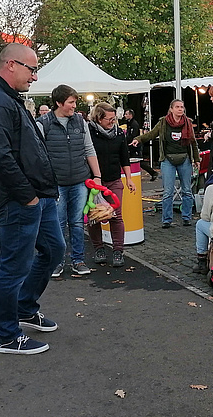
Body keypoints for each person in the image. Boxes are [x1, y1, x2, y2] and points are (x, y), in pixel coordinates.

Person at [0, 42, 64, 356]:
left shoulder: (6, 97)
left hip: (36, 195)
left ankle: (24, 308)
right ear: (11, 65)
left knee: (53, 250)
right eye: (32, 69)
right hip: (19, 199)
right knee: (13, 267)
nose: (35, 77)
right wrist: (28, 198)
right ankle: (8, 336)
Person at [37, 84, 102, 278]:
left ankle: (78, 260)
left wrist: (97, 176)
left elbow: (89, 150)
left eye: (75, 102)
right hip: (55, 184)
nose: (74, 106)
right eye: (71, 102)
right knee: (57, 223)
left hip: (79, 181)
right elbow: (38, 154)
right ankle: (56, 262)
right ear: (59, 102)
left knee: (76, 223)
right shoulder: (43, 124)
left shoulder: (80, 122)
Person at [132, 99, 199, 228]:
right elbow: (151, 134)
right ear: (171, 109)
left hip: (184, 159)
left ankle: (187, 217)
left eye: (182, 107)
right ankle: (167, 220)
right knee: (168, 191)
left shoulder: (188, 123)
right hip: (168, 159)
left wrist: (196, 159)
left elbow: (193, 142)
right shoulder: (163, 122)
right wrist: (138, 139)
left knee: (186, 190)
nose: (180, 109)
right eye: (178, 107)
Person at [88, 102, 136, 267]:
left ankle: (118, 251)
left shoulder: (119, 134)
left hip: (114, 179)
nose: (112, 122)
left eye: (114, 118)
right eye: (109, 119)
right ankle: (99, 249)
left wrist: (129, 178)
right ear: (98, 118)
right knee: (94, 217)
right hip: (94, 182)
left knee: (116, 215)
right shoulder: (89, 133)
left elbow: (124, 157)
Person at [123, 108, 157, 181]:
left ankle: (153, 173)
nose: (125, 116)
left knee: (139, 161)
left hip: (135, 145)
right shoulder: (129, 123)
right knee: (132, 160)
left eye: (126, 114)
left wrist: (126, 140)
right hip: (131, 144)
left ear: (130, 115)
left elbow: (133, 135)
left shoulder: (134, 124)